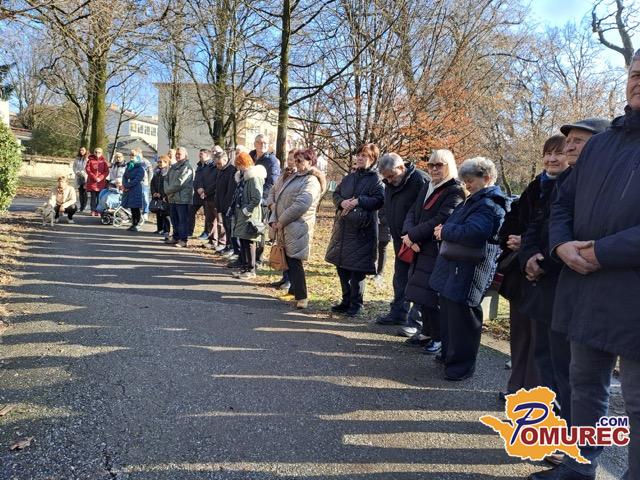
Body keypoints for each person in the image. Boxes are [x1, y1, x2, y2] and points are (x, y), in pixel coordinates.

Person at [527, 79, 636, 480]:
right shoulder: (601, 146)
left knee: (637, 402)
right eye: (635, 73)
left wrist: (601, 251)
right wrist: (560, 246)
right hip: (585, 288)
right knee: (584, 386)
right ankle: (577, 468)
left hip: (632, 292)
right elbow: (562, 204)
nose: (638, 80)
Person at [429, 157, 508, 381]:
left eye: (471, 181)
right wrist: (445, 229)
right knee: (451, 315)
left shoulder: (489, 204)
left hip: (471, 268)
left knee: (463, 318)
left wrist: (445, 231)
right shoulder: (475, 200)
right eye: (465, 181)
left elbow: (475, 233)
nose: (467, 185)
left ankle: (460, 367)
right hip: (456, 265)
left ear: (487, 178)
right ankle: (449, 357)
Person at [402, 149, 465, 354]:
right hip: (419, 247)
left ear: (449, 166)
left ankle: (438, 337)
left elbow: (441, 219)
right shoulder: (428, 186)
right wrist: (408, 235)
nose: (434, 169)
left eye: (439, 165)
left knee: (433, 297)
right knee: (421, 295)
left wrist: (413, 236)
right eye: (431, 165)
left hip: (435, 250)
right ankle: (427, 332)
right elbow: (412, 211)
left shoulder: (454, 190)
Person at [325, 143, 384, 317]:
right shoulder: (349, 177)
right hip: (343, 229)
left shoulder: (376, 179)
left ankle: (356, 304)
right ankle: (346, 300)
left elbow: (380, 200)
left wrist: (359, 201)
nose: (359, 158)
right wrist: (341, 202)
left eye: (364, 155)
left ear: (372, 159)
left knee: (357, 269)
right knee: (341, 267)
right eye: (358, 155)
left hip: (362, 231)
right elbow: (336, 194)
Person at [376, 152, 429, 333]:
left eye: (391, 176)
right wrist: (385, 218)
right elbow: (387, 205)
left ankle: (416, 321)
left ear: (401, 167)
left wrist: (414, 235)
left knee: (417, 280)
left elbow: (423, 212)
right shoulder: (390, 183)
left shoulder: (420, 180)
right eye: (386, 178)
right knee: (400, 277)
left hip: (417, 240)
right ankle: (398, 312)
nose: (389, 181)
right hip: (400, 239)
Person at [269, 148, 326, 308]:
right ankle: (294, 291)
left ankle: (302, 297)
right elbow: (279, 196)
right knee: (289, 259)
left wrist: (281, 220)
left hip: (298, 226)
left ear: (310, 161)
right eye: (295, 160)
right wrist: (274, 217)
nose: (296, 163)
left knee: (295, 260)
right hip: (287, 225)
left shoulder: (311, 181)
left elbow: (301, 204)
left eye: (300, 160)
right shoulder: (295, 177)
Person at [231, 151, 267, 279]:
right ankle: (245, 267)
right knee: (244, 240)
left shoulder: (253, 177)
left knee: (250, 241)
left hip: (250, 215)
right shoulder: (245, 177)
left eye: (239, 164)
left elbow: (256, 197)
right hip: (243, 214)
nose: (238, 168)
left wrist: (247, 209)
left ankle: (251, 269)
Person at [267, 149, 298, 291]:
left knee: (290, 251)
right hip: (277, 213)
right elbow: (272, 191)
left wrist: (281, 209)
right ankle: (284, 277)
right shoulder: (282, 174)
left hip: (289, 218)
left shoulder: (298, 177)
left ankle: (290, 280)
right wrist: (272, 205)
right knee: (281, 248)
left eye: (293, 159)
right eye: (289, 159)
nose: (290, 162)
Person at [249, 134, 281, 263]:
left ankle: (258, 258)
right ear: (255, 143)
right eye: (260, 142)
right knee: (248, 228)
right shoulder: (250, 157)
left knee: (259, 228)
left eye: (265, 143)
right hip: (249, 199)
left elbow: (272, 183)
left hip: (262, 201)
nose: (262, 145)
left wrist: (260, 198)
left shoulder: (271, 161)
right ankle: (247, 257)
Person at [164, 147, 195, 247]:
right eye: (176, 154)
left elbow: (180, 183)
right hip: (172, 198)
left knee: (182, 220)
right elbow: (166, 179)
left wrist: (168, 191)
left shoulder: (187, 167)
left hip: (182, 199)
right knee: (174, 219)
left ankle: (183, 240)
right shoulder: (173, 167)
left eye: (179, 154)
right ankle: (175, 237)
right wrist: (167, 191)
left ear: (185, 155)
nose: (177, 155)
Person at [213, 147, 240, 259]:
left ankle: (233, 248)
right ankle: (228, 246)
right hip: (221, 204)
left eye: (219, 163)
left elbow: (230, 191)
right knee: (225, 226)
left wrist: (226, 206)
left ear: (225, 160)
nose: (217, 166)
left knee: (230, 228)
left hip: (228, 206)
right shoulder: (221, 170)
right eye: (216, 164)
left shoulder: (231, 170)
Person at [197, 149, 220, 246]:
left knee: (219, 221)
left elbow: (216, 182)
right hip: (206, 197)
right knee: (209, 220)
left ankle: (219, 242)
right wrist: (200, 188)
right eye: (213, 151)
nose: (214, 153)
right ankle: (212, 240)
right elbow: (201, 178)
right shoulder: (207, 167)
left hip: (214, 196)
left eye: (216, 152)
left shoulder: (218, 167)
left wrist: (206, 192)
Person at [188, 149, 212, 239]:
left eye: (201, 154)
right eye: (199, 154)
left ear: (207, 155)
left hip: (207, 194)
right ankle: (189, 231)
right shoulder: (199, 166)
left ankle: (206, 232)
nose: (199, 155)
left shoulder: (211, 165)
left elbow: (210, 180)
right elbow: (197, 179)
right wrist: (198, 188)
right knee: (191, 210)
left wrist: (204, 191)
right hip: (197, 194)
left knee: (208, 214)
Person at [121, 150, 146, 232]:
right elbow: (124, 176)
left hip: (136, 189)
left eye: (134, 155)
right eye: (131, 155)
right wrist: (124, 185)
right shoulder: (129, 166)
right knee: (132, 207)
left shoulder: (140, 168)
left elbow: (137, 180)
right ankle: (133, 223)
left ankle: (136, 223)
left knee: (136, 207)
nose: (132, 156)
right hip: (129, 189)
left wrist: (127, 185)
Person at [151, 155, 171, 236]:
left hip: (165, 196)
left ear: (166, 162)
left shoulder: (168, 172)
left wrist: (162, 194)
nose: (159, 163)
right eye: (158, 162)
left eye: (161, 162)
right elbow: (152, 183)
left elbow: (168, 185)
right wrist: (154, 193)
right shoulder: (157, 172)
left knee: (165, 213)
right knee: (158, 212)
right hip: (157, 196)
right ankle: (159, 228)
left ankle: (166, 230)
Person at [85, 148, 109, 216]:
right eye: (96, 152)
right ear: (94, 152)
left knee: (100, 197)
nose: (97, 153)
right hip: (92, 182)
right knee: (93, 197)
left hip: (101, 182)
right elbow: (88, 170)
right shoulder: (90, 160)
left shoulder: (104, 161)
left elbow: (106, 171)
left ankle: (98, 210)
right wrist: (94, 177)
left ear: (102, 153)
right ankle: (93, 210)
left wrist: (100, 178)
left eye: (99, 152)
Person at [375, 205, 391, 282]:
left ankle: (379, 272)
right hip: (374, 225)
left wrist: (381, 220)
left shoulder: (388, 198)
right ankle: (373, 269)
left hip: (385, 228)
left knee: (382, 249)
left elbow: (391, 212)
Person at [72, 147, 89, 212]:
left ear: (86, 151)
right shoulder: (77, 158)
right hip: (78, 176)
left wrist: (83, 172)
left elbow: (88, 168)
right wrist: (76, 172)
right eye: (80, 150)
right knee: (80, 192)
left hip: (85, 177)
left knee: (85, 192)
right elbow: (74, 166)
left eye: (83, 150)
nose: (81, 151)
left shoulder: (88, 159)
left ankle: (84, 206)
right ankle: (81, 206)